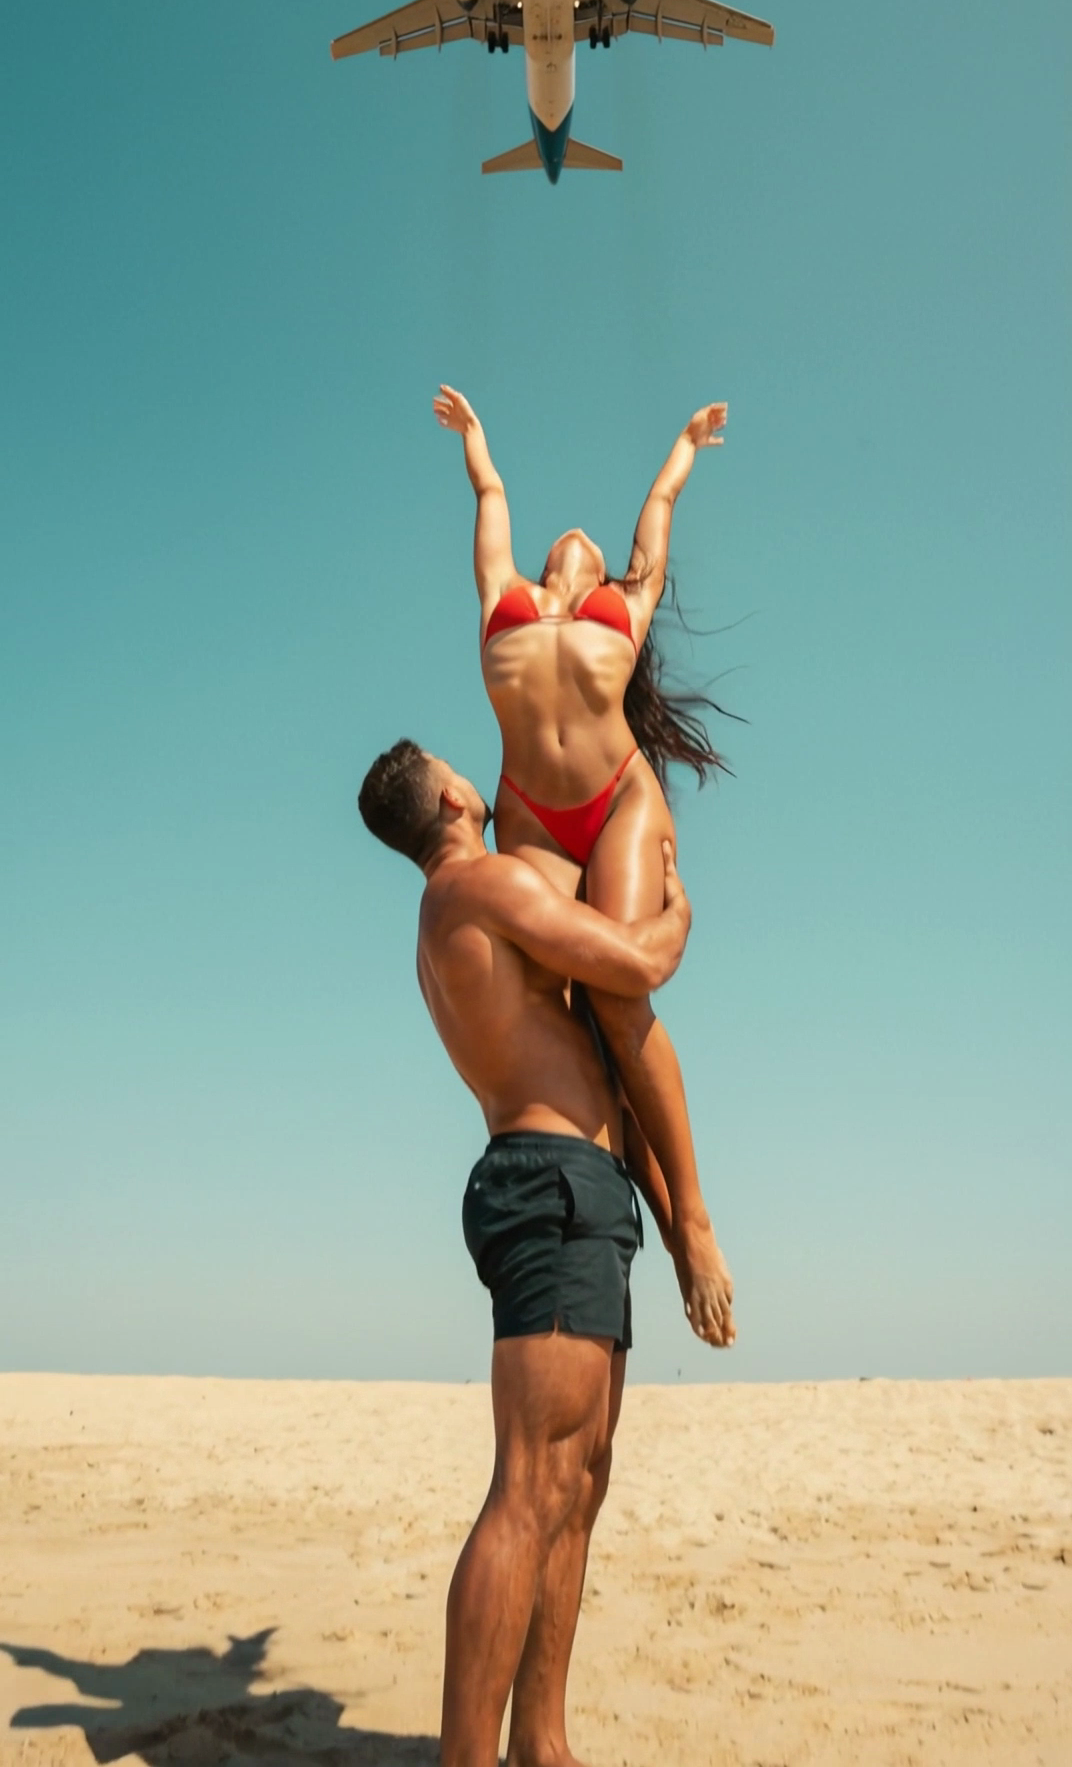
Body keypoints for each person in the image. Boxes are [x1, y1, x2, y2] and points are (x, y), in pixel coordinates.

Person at [357, 737, 727, 1767]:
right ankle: (468, 1756)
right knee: (530, 1480)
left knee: (580, 1474)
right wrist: (676, 914)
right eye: (450, 759)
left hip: (579, 1187)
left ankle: (542, 1742)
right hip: (548, 1185)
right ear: (447, 794)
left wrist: (663, 1209)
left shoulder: (453, 910)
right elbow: (633, 963)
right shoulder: (476, 886)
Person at [434, 382, 734, 1346]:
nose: (580, 540)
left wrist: (683, 447)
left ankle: (691, 1216)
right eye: (576, 545)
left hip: (615, 802)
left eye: (599, 547)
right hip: (528, 807)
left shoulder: (624, 603)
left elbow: (658, 521)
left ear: (605, 569)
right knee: (564, 1009)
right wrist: (477, 444)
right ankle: (609, 1194)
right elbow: (489, 506)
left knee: (617, 998)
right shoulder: (502, 598)